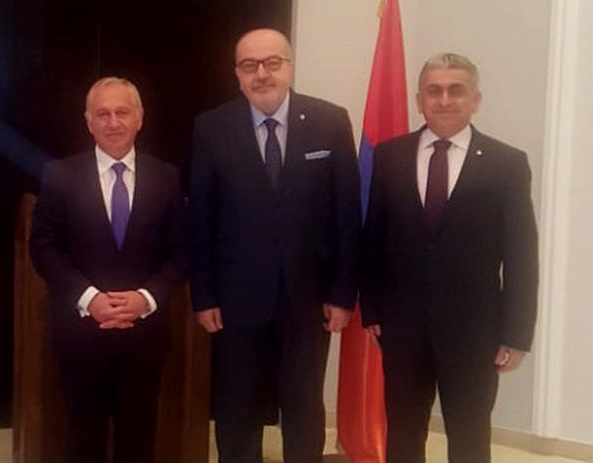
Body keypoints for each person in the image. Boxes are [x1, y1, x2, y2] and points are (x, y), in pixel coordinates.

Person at [188, 28, 361, 463]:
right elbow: (202, 218)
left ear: (290, 66)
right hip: (236, 299)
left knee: (303, 405)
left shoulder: (330, 121)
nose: (261, 74)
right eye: (249, 65)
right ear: (237, 74)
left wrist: (343, 294)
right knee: (237, 405)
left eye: (272, 63)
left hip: (309, 298)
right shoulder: (211, 127)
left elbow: (346, 215)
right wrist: (203, 295)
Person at [360, 53, 539, 463]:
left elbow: (521, 254)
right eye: (434, 90)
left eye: (455, 90)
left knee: (470, 436)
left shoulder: (507, 163)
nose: (444, 100)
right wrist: (370, 308)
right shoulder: (388, 156)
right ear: (419, 100)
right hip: (402, 328)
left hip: (475, 331)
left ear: (475, 99)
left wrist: (517, 333)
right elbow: (373, 238)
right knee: (404, 433)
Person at [30, 77, 186, 463]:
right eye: (102, 114)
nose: (113, 122)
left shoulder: (167, 177)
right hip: (81, 332)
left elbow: (182, 250)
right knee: (82, 440)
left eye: (122, 112)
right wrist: (90, 299)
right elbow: (43, 248)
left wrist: (146, 298)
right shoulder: (59, 174)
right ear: (88, 122)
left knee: (139, 439)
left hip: (144, 333)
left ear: (139, 118)